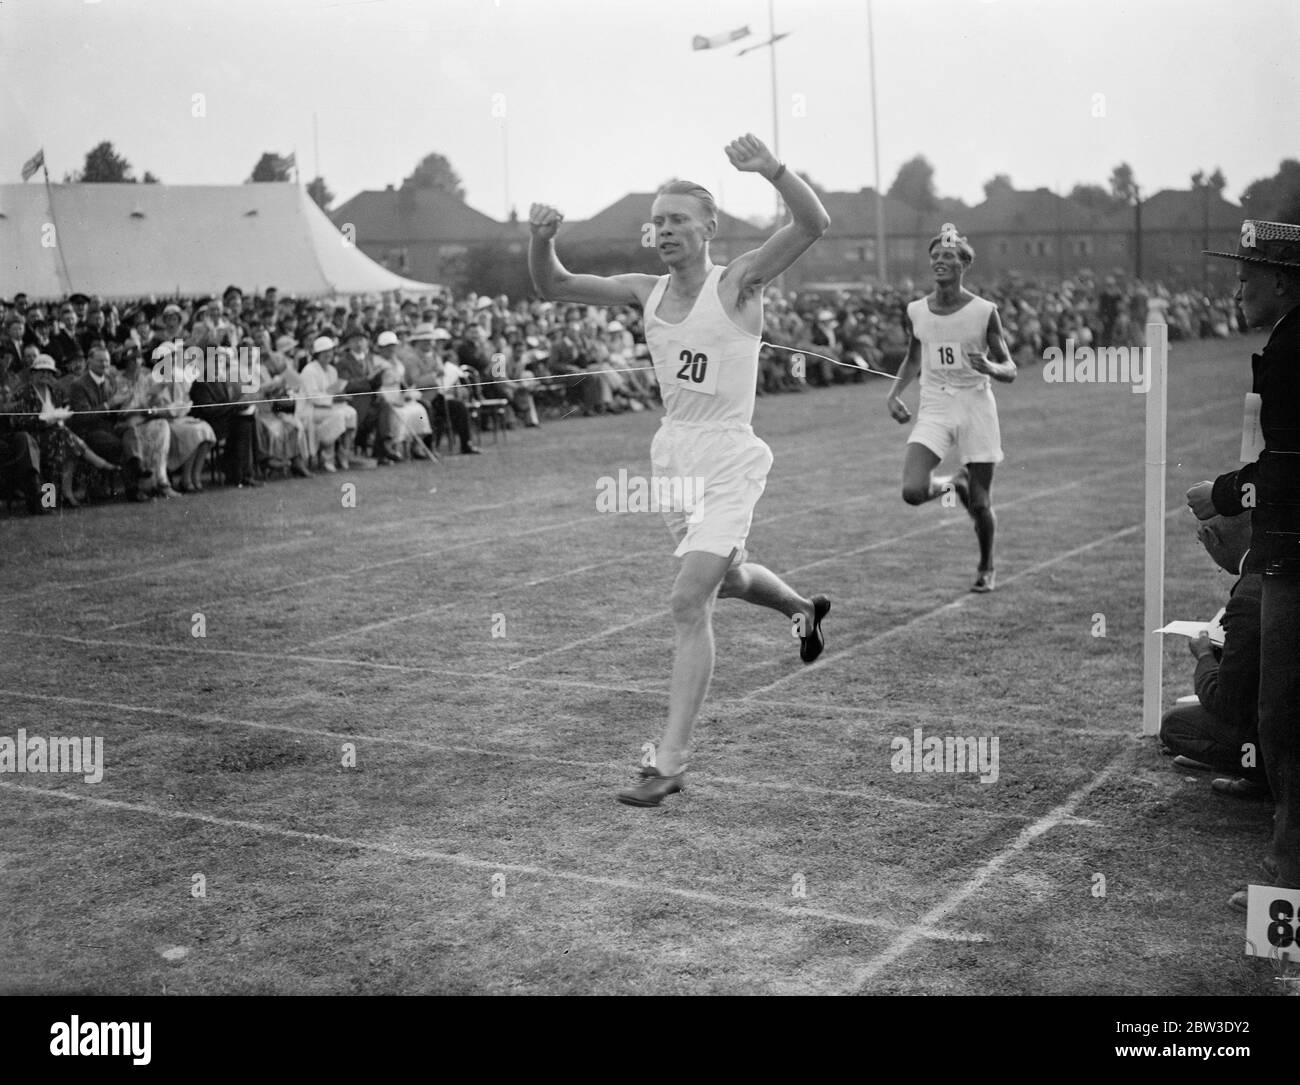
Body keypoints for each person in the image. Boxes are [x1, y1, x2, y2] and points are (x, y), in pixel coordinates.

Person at [529, 132, 832, 808]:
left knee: (687, 599)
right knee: (724, 579)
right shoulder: (643, 289)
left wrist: (772, 170)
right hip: (674, 455)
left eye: (676, 220)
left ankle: (668, 761)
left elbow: (813, 223)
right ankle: (800, 607)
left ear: (708, 228)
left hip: (729, 455)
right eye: (657, 221)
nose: (663, 230)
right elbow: (552, 282)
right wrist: (541, 238)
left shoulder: (740, 279)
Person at [1188, 217, 1300, 900]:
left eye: (1247, 276)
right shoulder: (1287, 343)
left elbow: (1286, 470)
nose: (1235, 289)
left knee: (1284, 717)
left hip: (1293, 554)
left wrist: (1223, 494)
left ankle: (1290, 879)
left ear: (1282, 281)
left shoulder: (1290, 350)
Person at [886, 223, 1017, 593]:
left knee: (980, 502)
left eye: (948, 256)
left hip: (975, 405)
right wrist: (895, 393)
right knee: (913, 490)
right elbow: (913, 358)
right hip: (935, 404)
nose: (940, 261)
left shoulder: (984, 311)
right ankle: (952, 481)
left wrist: (990, 366)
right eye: (935, 257)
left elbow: (1010, 368)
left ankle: (987, 565)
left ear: (964, 264)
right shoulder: (916, 310)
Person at [1160, 513, 1265, 796]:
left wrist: (1206, 655)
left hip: (1283, 732)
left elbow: (1227, 703)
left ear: (1211, 537)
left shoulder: (1249, 593)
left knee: (1175, 725)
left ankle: (1262, 775)